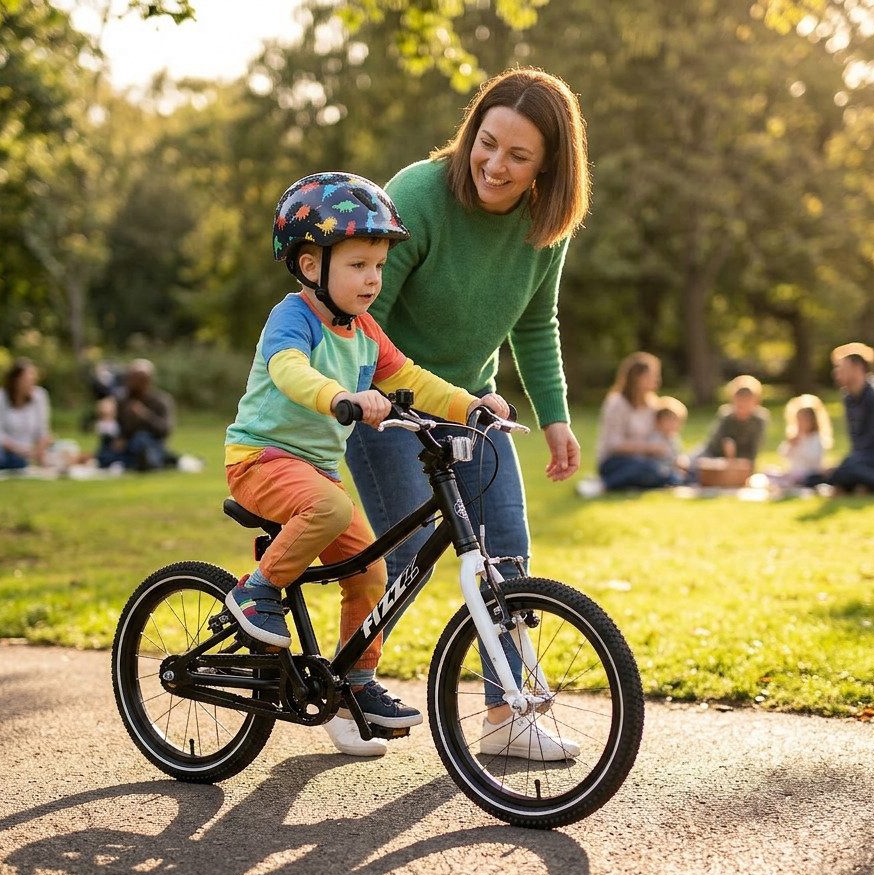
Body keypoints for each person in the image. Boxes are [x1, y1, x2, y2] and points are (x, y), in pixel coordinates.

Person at [343, 67, 588, 761]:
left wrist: (557, 418)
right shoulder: (417, 195)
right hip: (388, 405)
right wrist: (359, 407)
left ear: (548, 167)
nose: (495, 164)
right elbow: (363, 316)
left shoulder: (545, 224)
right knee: (402, 559)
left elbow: (535, 324)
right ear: (470, 132)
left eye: (519, 155)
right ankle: (347, 688)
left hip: (472, 406)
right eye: (487, 142)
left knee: (506, 557)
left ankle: (507, 715)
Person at [223, 172, 511, 758]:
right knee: (330, 509)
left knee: (369, 572)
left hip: (316, 473)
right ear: (311, 266)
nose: (374, 278)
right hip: (261, 459)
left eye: (379, 265)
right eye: (358, 265)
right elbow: (288, 370)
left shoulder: (364, 331)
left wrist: (469, 405)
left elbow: (410, 378)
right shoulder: (294, 317)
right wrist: (339, 397)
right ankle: (255, 593)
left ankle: (352, 684)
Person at [808, 350, 874, 493]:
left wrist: (848, 463)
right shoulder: (849, 398)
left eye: (841, 367)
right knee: (817, 476)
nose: (836, 372)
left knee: (844, 471)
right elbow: (857, 442)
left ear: (858, 368)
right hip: (862, 459)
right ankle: (861, 484)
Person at [597, 352, 676, 490]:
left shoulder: (653, 404)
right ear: (637, 378)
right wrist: (648, 448)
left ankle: (660, 478)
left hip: (645, 460)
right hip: (615, 462)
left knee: (660, 470)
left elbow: (663, 434)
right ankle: (606, 484)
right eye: (652, 375)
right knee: (648, 470)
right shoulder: (617, 403)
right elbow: (614, 444)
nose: (657, 380)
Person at [96, 359, 175, 471]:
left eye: (137, 378)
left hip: (150, 443)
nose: (131, 382)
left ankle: (144, 461)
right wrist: (108, 419)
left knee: (141, 439)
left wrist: (144, 415)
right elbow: (119, 427)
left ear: (147, 380)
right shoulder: (122, 401)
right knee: (106, 447)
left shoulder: (160, 400)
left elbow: (165, 430)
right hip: (126, 444)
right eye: (130, 378)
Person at [696, 375, 769, 464]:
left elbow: (754, 450)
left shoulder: (759, 420)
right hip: (714, 456)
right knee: (692, 462)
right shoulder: (726, 415)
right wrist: (726, 449)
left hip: (742, 462)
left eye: (747, 401)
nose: (743, 406)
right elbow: (712, 444)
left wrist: (735, 457)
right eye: (739, 402)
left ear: (756, 402)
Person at [776, 394, 832, 486]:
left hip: (809, 474)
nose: (801, 423)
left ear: (813, 421)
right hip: (792, 473)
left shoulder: (816, 438)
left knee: (810, 479)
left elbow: (815, 458)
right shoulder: (794, 437)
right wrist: (790, 444)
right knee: (770, 472)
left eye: (805, 420)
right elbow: (783, 454)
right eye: (799, 419)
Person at [649, 396, 688, 485]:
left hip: (672, 469)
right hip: (660, 469)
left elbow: (678, 454)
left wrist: (682, 461)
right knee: (673, 478)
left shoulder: (674, 438)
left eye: (676, 421)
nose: (673, 425)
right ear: (659, 422)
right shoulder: (655, 438)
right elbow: (660, 457)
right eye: (669, 421)